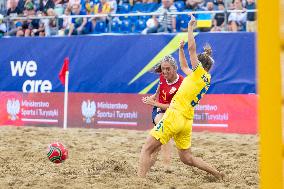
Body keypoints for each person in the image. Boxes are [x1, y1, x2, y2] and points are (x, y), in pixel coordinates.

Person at [138, 13, 224, 180]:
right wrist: (179, 49)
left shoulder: (198, 73)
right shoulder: (204, 78)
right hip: (187, 120)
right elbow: (184, 65)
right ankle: (217, 173)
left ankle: (139, 181)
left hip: (175, 114)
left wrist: (190, 27)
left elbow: (192, 49)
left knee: (147, 148)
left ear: (200, 64)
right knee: (187, 158)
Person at [142, 55, 184, 171]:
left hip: (173, 111)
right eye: (163, 68)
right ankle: (167, 165)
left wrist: (154, 103)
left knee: (155, 150)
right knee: (164, 127)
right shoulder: (162, 77)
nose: (164, 72)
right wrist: (152, 98)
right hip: (160, 111)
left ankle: (144, 170)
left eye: (168, 69)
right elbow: (158, 92)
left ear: (175, 68)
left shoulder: (182, 83)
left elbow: (173, 106)